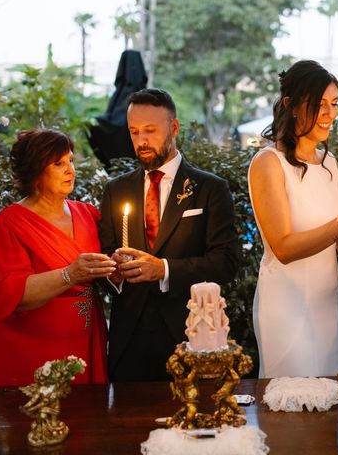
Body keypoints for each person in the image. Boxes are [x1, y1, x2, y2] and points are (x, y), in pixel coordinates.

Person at [248, 60, 338, 378]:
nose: (330, 114)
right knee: (294, 411)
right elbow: (284, 248)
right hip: (287, 307)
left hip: (328, 305)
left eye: (334, 104)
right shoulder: (268, 163)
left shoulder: (328, 160)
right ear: (291, 106)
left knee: (328, 409)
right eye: (319, 105)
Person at [99, 88, 239, 382]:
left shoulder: (209, 188)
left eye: (150, 130)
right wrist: (113, 275)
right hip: (129, 342)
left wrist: (162, 269)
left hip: (189, 334)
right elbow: (107, 259)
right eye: (134, 132)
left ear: (174, 127)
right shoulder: (116, 190)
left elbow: (226, 262)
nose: (141, 141)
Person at [0, 129, 114, 386]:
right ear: (36, 170)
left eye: (71, 161)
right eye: (59, 164)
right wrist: (70, 274)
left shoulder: (88, 214)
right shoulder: (8, 225)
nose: (70, 170)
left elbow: (106, 269)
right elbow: (7, 295)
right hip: (33, 347)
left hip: (87, 339)